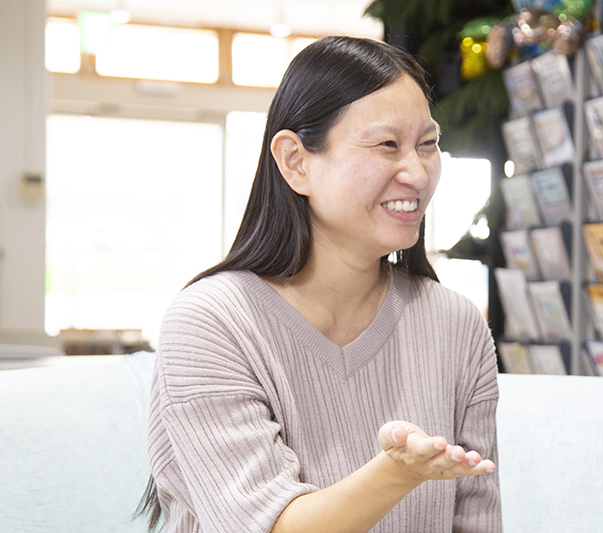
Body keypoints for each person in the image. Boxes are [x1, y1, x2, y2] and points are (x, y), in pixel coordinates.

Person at [138, 35, 502, 532]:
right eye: (387, 145)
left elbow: (477, 521)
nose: (417, 173)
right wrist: (398, 472)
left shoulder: (457, 324)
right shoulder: (211, 323)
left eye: (428, 144)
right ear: (295, 161)